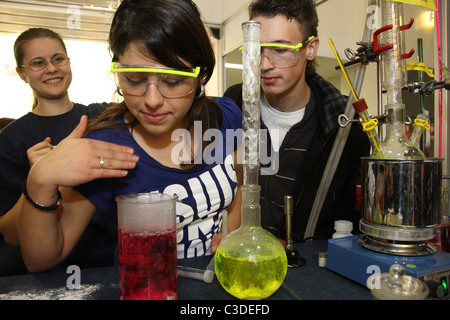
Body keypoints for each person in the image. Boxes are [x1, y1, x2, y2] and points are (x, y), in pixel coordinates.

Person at [17, 0, 243, 273]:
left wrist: (235, 228)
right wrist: (40, 180)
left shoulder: (224, 115)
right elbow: (40, 260)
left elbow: (239, 184)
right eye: (134, 79)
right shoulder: (106, 146)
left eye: (172, 81)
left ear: (199, 75)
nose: (151, 100)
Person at [224, 0, 370, 241]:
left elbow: (349, 217)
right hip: (238, 257)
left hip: (307, 267)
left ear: (310, 48)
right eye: (256, 50)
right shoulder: (233, 103)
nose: (263, 65)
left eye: (280, 50)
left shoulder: (344, 124)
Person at [0, 28, 109, 276]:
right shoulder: (10, 139)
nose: (51, 68)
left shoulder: (100, 118)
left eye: (58, 58)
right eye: (38, 63)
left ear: (68, 62)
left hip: (113, 261)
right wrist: (39, 177)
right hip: (55, 274)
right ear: (22, 73)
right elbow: (10, 236)